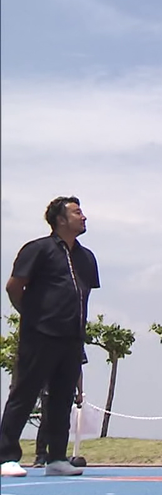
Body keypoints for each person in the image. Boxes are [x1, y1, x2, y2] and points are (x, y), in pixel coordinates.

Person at [0, 196, 99, 478]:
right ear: (60, 220)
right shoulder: (37, 250)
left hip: (71, 337)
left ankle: (56, 457)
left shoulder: (86, 256)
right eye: (77, 212)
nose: (84, 217)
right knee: (24, 393)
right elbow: (14, 287)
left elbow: (84, 294)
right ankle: (6, 456)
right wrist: (33, 316)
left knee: (62, 398)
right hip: (39, 335)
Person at [33, 351, 86, 468]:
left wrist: (80, 392)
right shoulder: (50, 342)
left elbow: (78, 370)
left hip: (67, 389)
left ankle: (58, 456)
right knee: (46, 422)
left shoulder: (77, 345)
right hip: (48, 388)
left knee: (63, 423)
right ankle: (41, 455)